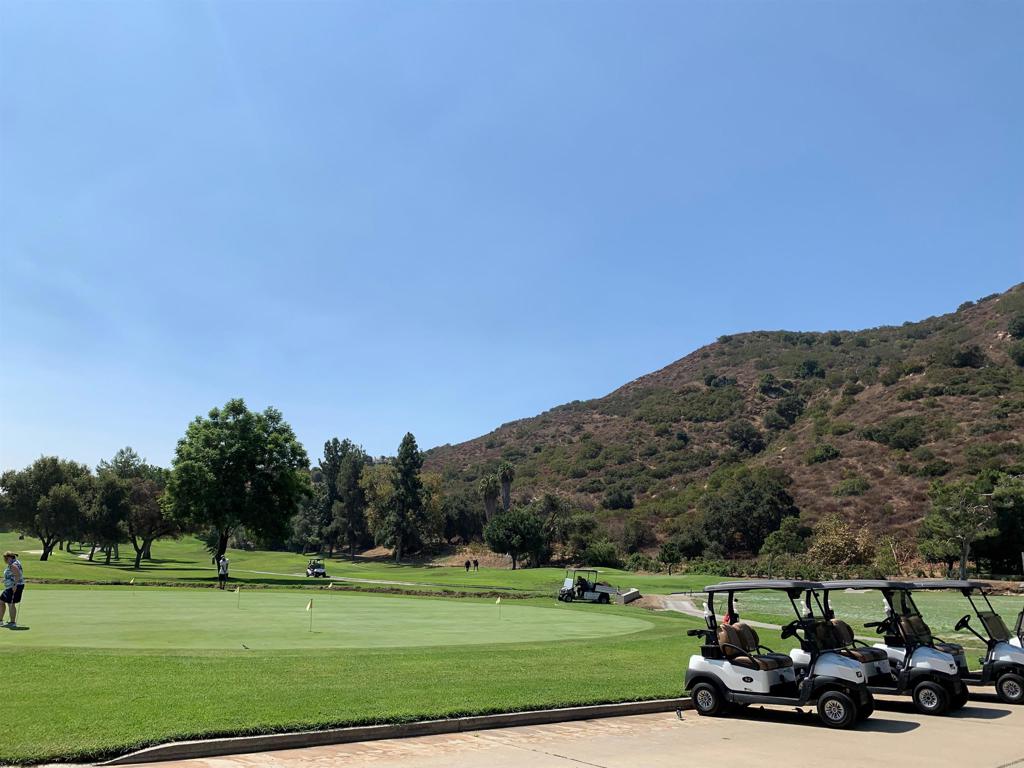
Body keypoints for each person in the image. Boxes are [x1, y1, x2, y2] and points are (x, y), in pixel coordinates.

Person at [1, 551, 24, 627]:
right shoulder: (15, 563)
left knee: (10, 604)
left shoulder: (13, 565)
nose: (5, 560)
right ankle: (1, 620)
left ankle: (12, 622)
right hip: (10, 586)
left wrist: (14, 585)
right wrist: (5, 579)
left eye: (6, 558)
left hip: (13, 586)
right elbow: (12, 575)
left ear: (10, 558)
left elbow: (17, 575)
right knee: (1, 602)